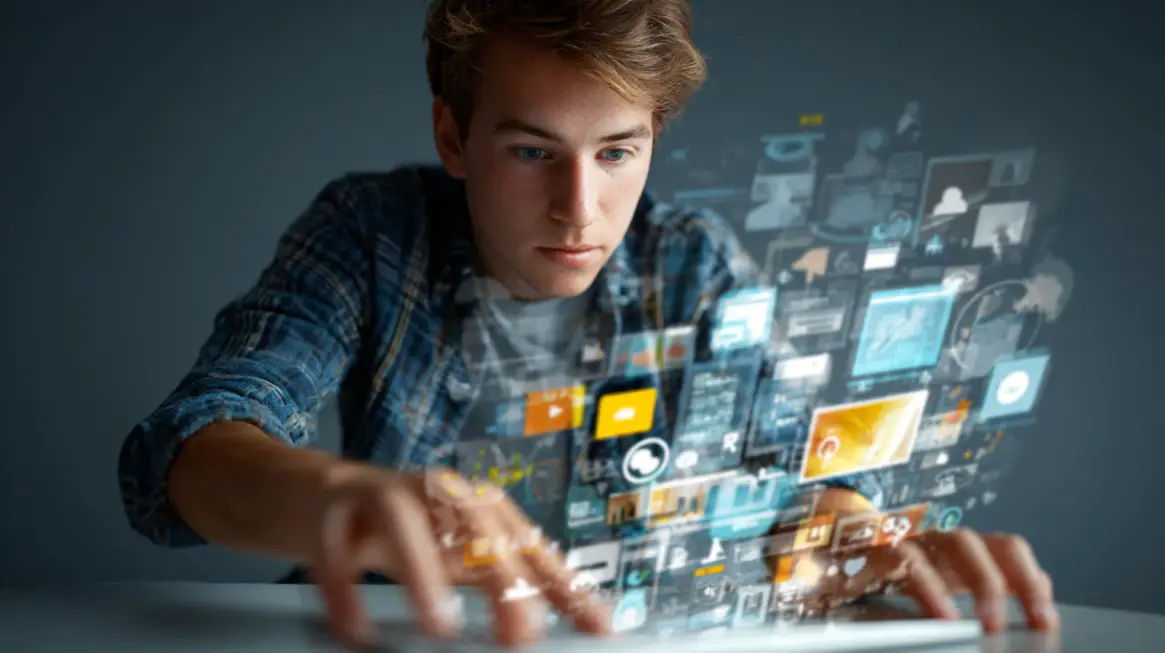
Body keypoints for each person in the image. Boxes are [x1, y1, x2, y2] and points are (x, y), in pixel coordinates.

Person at [116, 0, 1058, 648]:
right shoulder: (374, 234)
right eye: (532, 151)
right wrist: (337, 502)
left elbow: (793, 486)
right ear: (453, 136)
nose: (579, 208)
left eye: (617, 152)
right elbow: (190, 449)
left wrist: (850, 528)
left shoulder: (691, 261)